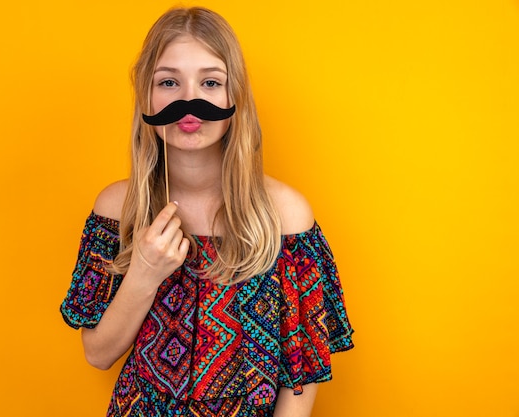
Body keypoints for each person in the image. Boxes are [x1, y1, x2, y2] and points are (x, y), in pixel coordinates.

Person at [60, 6, 354, 417]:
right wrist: (144, 272)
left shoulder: (285, 216)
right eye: (168, 82)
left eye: (210, 82)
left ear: (234, 96)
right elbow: (98, 353)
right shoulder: (116, 209)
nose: (189, 102)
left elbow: (300, 376)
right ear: (146, 94)